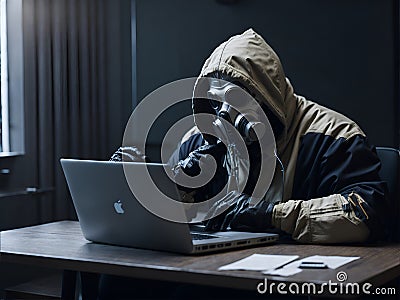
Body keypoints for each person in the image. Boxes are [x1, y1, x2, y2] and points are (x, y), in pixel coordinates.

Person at [103, 29, 388, 299]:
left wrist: (270, 216)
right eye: (215, 104)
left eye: (237, 101)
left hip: (286, 280)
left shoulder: (334, 136)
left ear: (267, 95)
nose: (224, 117)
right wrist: (152, 187)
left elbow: (364, 214)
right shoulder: (200, 139)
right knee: (117, 283)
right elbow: (179, 218)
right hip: (216, 266)